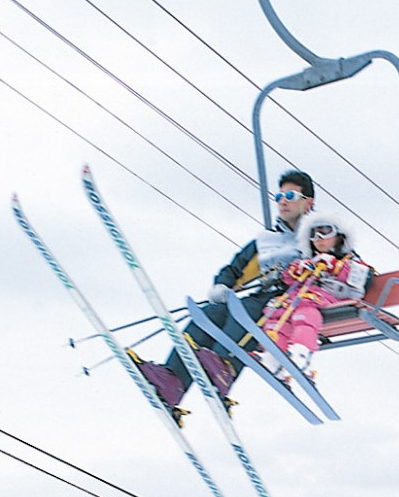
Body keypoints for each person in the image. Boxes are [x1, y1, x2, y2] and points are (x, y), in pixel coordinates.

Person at [132, 170, 318, 418]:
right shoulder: (267, 241)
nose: (283, 201)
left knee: (251, 311)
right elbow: (235, 268)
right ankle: (173, 380)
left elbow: (346, 262)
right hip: (262, 299)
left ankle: (224, 365)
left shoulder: (321, 235)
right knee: (212, 313)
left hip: (292, 305)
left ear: (308, 202)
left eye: (291, 195)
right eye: (279, 196)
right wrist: (222, 285)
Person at [250, 210, 371, 386]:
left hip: (331, 299)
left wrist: (335, 267)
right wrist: (297, 270)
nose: (319, 238)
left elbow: (362, 278)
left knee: (304, 314)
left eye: (325, 232)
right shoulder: (310, 261)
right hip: (301, 298)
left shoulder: (348, 260)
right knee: (277, 313)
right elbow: (288, 278)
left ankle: (301, 353)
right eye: (313, 235)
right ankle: (273, 354)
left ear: (339, 236)